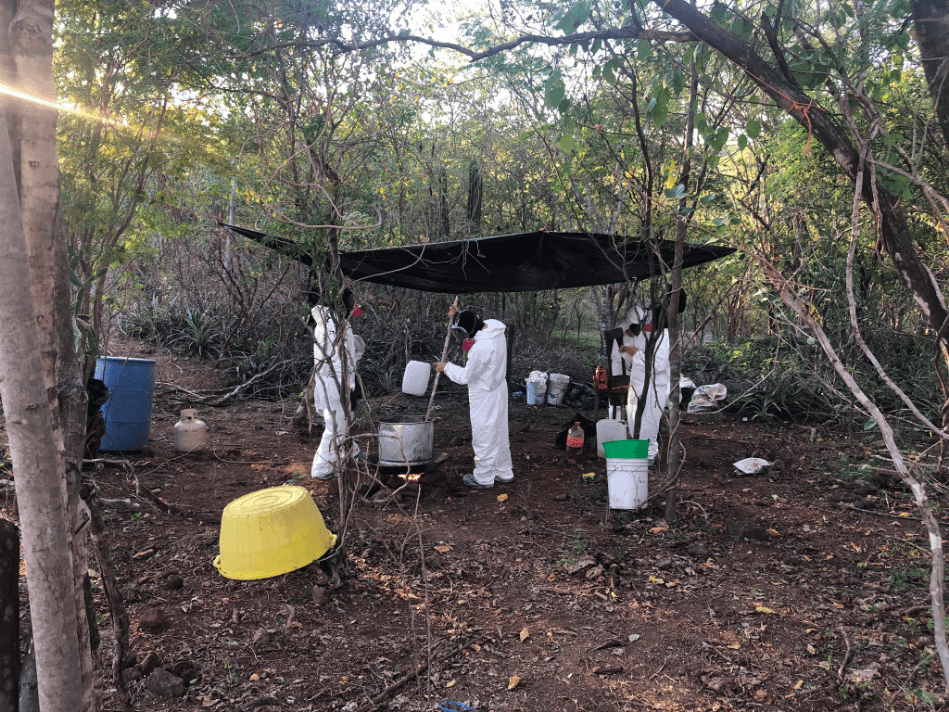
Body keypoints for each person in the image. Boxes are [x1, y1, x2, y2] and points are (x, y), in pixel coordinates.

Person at [435, 305, 514, 489]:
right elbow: (471, 321)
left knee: (483, 436)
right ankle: (503, 471)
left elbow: (465, 377)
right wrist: (457, 315)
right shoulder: (494, 328)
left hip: (485, 394)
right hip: (499, 388)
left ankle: (484, 478)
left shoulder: (481, 348)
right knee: (500, 433)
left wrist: (446, 367)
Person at [615, 290, 686, 467]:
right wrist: (630, 337)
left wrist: (634, 353)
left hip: (654, 388)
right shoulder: (648, 333)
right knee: (634, 424)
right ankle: (644, 457)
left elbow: (657, 366)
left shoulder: (666, 337)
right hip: (637, 384)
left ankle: (646, 461)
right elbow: (627, 352)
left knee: (647, 427)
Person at [309, 287, 364, 480]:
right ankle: (321, 469)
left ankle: (352, 452)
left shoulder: (334, 322)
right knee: (335, 428)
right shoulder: (332, 325)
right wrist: (348, 388)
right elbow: (337, 363)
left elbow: (346, 354)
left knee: (343, 423)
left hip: (335, 384)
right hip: (335, 386)